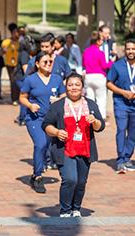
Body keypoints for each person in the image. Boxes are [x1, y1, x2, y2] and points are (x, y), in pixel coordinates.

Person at [42, 73, 105, 217]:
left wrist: (94, 121)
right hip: (64, 149)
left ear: (83, 87)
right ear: (66, 87)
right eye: (70, 85)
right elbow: (46, 124)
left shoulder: (90, 104)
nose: (74, 88)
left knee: (81, 182)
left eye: (77, 85)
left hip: (85, 148)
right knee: (70, 179)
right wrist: (57, 132)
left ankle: (76, 208)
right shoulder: (58, 105)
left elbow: (100, 127)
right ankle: (65, 210)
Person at [20, 52, 66, 193]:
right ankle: (39, 177)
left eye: (50, 62)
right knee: (40, 145)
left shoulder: (57, 79)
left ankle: (34, 175)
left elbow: (64, 96)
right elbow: (22, 97)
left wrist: (58, 100)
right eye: (45, 62)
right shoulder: (30, 80)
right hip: (35, 119)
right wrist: (30, 105)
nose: (48, 64)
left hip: (51, 121)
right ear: (37, 64)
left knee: (45, 146)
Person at [106, 38, 135, 174]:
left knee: (133, 132)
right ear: (125, 50)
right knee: (121, 130)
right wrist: (123, 92)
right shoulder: (117, 65)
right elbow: (109, 83)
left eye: (133, 49)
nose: (131, 51)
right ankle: (120, 161)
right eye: (128, 49)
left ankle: (127, 158)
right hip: (121, 103)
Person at [83, 31, 116, 120]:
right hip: (99, 76)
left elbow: (83, 63)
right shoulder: (100, 52)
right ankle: (101, 118)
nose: (102, 42)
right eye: (101, 40)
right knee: (101, 99)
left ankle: (89, 117)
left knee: (89, 98)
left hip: (89, 76)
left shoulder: (86, 51)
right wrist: (112, 61)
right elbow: (105, 66)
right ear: (97, 41)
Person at [15, 35, 33, 126]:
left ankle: (21, 116)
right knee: (25, 97)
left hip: (21, 79)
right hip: (22, 79)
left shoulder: (23, 53)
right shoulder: (24, 55)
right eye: (30, 43)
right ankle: (22, 118)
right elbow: (25, 69)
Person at [1, 22, 20, 105]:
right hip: (9, 64)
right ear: (12, 32)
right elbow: (1, 53)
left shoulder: (20, 42)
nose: (18, 33)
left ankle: (17, 97)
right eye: (16, 32)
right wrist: (3, 51)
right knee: (12, 81)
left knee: (16, 80)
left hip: (17, 63)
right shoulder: (6, 42)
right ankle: (14, 98)